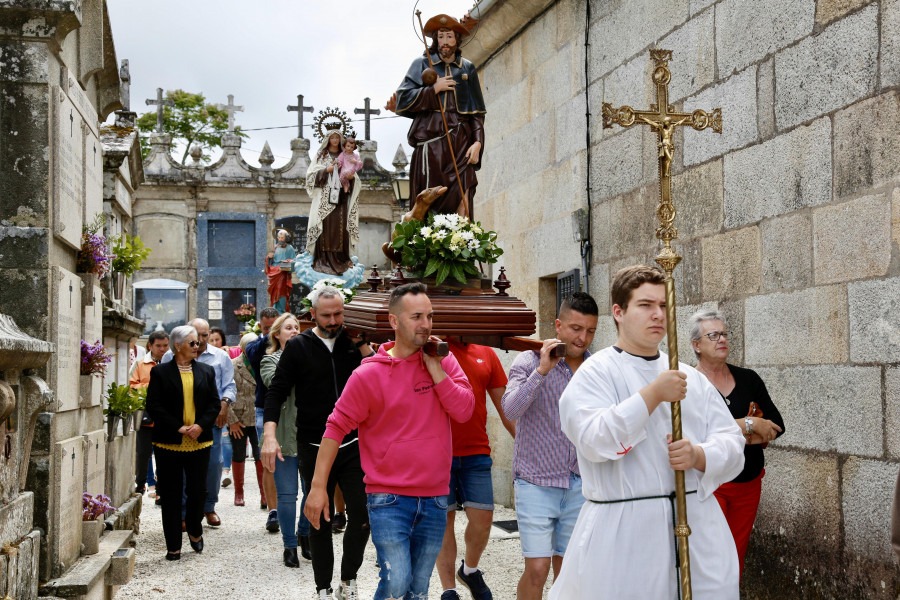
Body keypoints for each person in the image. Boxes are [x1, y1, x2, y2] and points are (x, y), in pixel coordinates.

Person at [549, 265, 746, 600]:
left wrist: (699, 455)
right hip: (625, 531)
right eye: (645, 305)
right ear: (619, 312)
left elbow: (733, 443)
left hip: (697, 528)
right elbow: (594, 439)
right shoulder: (595, 373)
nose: (657, 314)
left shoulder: (690, 377)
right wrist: (653, 395)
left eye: (663, 305)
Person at [303, 282, 475, 600]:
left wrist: (436, 370)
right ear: (394, 321)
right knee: (397, 582)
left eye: (430, 316)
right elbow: (335, 427)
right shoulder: (369, 374)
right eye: (416, 316)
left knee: (418, 588)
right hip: (389, 498)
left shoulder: (445, 362)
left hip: (437, 496)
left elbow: (464, 410)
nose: (425, 324)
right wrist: (317, 488)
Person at [263, 285, 373, 599]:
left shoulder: (354, 344)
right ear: (312, 315)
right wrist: (269, 435)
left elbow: (381, 377)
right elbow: (276, 392)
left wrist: (364, 348)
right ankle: (323, 588)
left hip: (353, 444)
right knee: (320, 519)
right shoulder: (298, 346)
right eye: (326, 315)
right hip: (312, 445)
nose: (334, 319)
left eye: (339, 313)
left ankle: (348, 581)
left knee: (362, 515)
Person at [501, 292, 598, 600]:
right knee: (538, 569)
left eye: (590, 331)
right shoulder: (528, 360)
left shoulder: (597, 369)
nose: (582, 338)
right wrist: (542, 371)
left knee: (569, 572)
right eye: (575, 328)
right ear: (558, 325)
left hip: (580, 485)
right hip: (535, 482)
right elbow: (510, 409)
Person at [690, 308, 785, 578]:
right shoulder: (689, 383)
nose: (722, 339)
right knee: (711, 557)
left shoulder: (748, 379)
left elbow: (777, 426)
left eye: (724, 334)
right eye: (713, 335)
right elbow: (695, 436)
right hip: (710, 485)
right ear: (696, 345)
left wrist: (725, 432)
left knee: (735, 556)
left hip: (748, 485)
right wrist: (749, 425)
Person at [387, 13, 486, 218]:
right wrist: (433, 90)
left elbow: (476, 113)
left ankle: (463, 241)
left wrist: (477, 142)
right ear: (435, 39)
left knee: (464, 189)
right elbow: (403, 99)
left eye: (449, 37)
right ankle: (427, 243)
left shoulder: (467, 68)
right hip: (432, 143)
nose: (445, 42)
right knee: (431, 197)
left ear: (457, 39)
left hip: (461, 141)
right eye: (441, 37)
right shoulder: (422, 64)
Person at [437, 339, 513, 600]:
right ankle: (449, 589)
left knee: (483, 520)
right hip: (438, 454)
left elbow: (506, 408)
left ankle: (469, 570)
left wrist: (525, 445)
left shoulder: (486, 353)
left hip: (476, 450)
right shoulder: (431, 349)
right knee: (443, 523)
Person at [146, 325, 220, 561]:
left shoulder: (207, 371)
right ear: (177, 346)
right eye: (192, 343)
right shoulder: (160, 373)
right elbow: (154, 406)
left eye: (198, 343)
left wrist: (200, 426)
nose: (197, 346)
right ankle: (173, 546)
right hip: (169, 442)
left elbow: (214, 405)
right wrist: (178, 427)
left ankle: (195, 531)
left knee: (198, 492)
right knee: (170, 494)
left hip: (199, 442)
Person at [161, 318, 236, 527]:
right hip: (182, 421)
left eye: (205, 335)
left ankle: (209, 507)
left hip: (211, 418)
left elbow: (229, 386)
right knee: (184, 466)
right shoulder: (170, 356)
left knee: (213, 465)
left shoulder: (220, 357)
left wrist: (225, 404)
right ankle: (185, 511)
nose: (201, 341)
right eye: (197, 336)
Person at [259, 312, 312, 567]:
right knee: (288, 493)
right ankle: (289, 545)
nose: (293, 331)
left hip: (310, 432)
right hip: (282, 435)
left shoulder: (311, 357)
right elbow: (274, 383)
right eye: (288, 328)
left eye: (297, 328)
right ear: (277, 334)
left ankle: (305, 531)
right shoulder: (270, 360)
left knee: (312, 489)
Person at [305, 129, 360, 275]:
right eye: (332, 137)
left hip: (341, 199)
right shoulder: (321, 155)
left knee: (340, 228)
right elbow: (310, 177)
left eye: (338, 137)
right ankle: (322, 260)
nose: (335, 140)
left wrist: (351, 178)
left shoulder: (347, 155)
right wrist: (327, 170)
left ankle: (341, 260)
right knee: (325, 227)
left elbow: (355, 175)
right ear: (328, 139)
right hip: (324, 198)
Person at [245, 306, 281, 529]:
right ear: (261, 326)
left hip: (290, 410)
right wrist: (269, 337)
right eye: (267, 328)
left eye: (274, 327)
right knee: (269, 462)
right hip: (264, 407)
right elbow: (254, 354)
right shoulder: (255, 346)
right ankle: (273, 511)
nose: (271, 331)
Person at [130, 331, 169, 498]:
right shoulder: (140, 362)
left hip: (166, 418)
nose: (162, 349)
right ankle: (140, 484)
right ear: (150, 346)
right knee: (143, 453)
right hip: (146, 416)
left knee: (164, 454)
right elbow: (132, 385)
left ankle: (161, 490)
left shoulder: (173, 362)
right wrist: (151, 387)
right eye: (158, 346)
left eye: (165, 345)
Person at [227, 332, 262, 508]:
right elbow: (226, 392)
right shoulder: (233, 365)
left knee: (261, 454)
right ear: (241, 348)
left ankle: (265, 493)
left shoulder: (263, 363)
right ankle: (238, 492)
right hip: (239, 418)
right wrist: (231, 419)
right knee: (238, 453)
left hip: (259, 417)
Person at [267, 229, 297, 313]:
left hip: (283, 273)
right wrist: (269, 258)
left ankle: (282, 311)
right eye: (279, 237)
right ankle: (275, 310)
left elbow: (294, 261)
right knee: (274, 293)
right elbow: (270, 261)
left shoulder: (289, 248)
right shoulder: (275, 247)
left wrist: (288, 262)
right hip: (274, 272)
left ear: (286, 238)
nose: (280, 239)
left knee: (281, 291)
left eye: (282, 238)